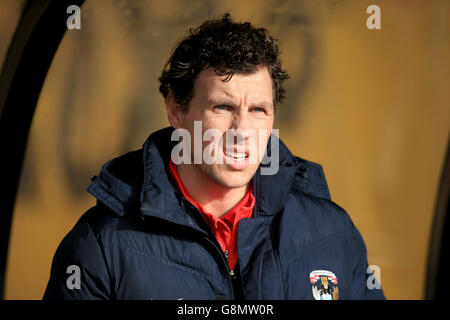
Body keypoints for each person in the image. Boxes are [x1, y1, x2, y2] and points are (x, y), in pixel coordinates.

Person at [43, 13, 385, 300]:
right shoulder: (101, 247)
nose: (243, 130)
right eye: (223, 107)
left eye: (259, 110)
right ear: (176, 111)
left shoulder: (332, 233)